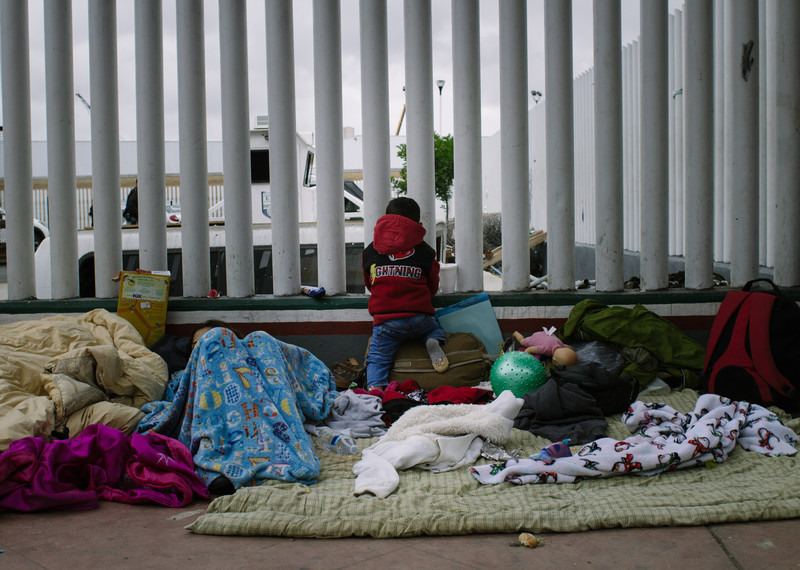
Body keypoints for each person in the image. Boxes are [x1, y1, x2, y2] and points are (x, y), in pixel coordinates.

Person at [137, 320, 337, 494]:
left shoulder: (256, 358)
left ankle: (267, 454)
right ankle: (226, 458)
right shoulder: (184, 379)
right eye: (199, 346)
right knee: (222, 337)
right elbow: (178, 407)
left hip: (263, 410)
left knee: (261, 338)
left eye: (216, 345)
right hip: (217, 420)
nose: (212, 350)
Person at [361, 196, 448, 390]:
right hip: (419, 318)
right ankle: (432, 340)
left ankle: (376, 390)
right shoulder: (426, 252)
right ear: (419, 224)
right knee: (434, 328)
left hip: (386, 323)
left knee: (377, 358)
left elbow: (370, 284)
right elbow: (432, 286)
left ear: (384, 220)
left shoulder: (370, 252)